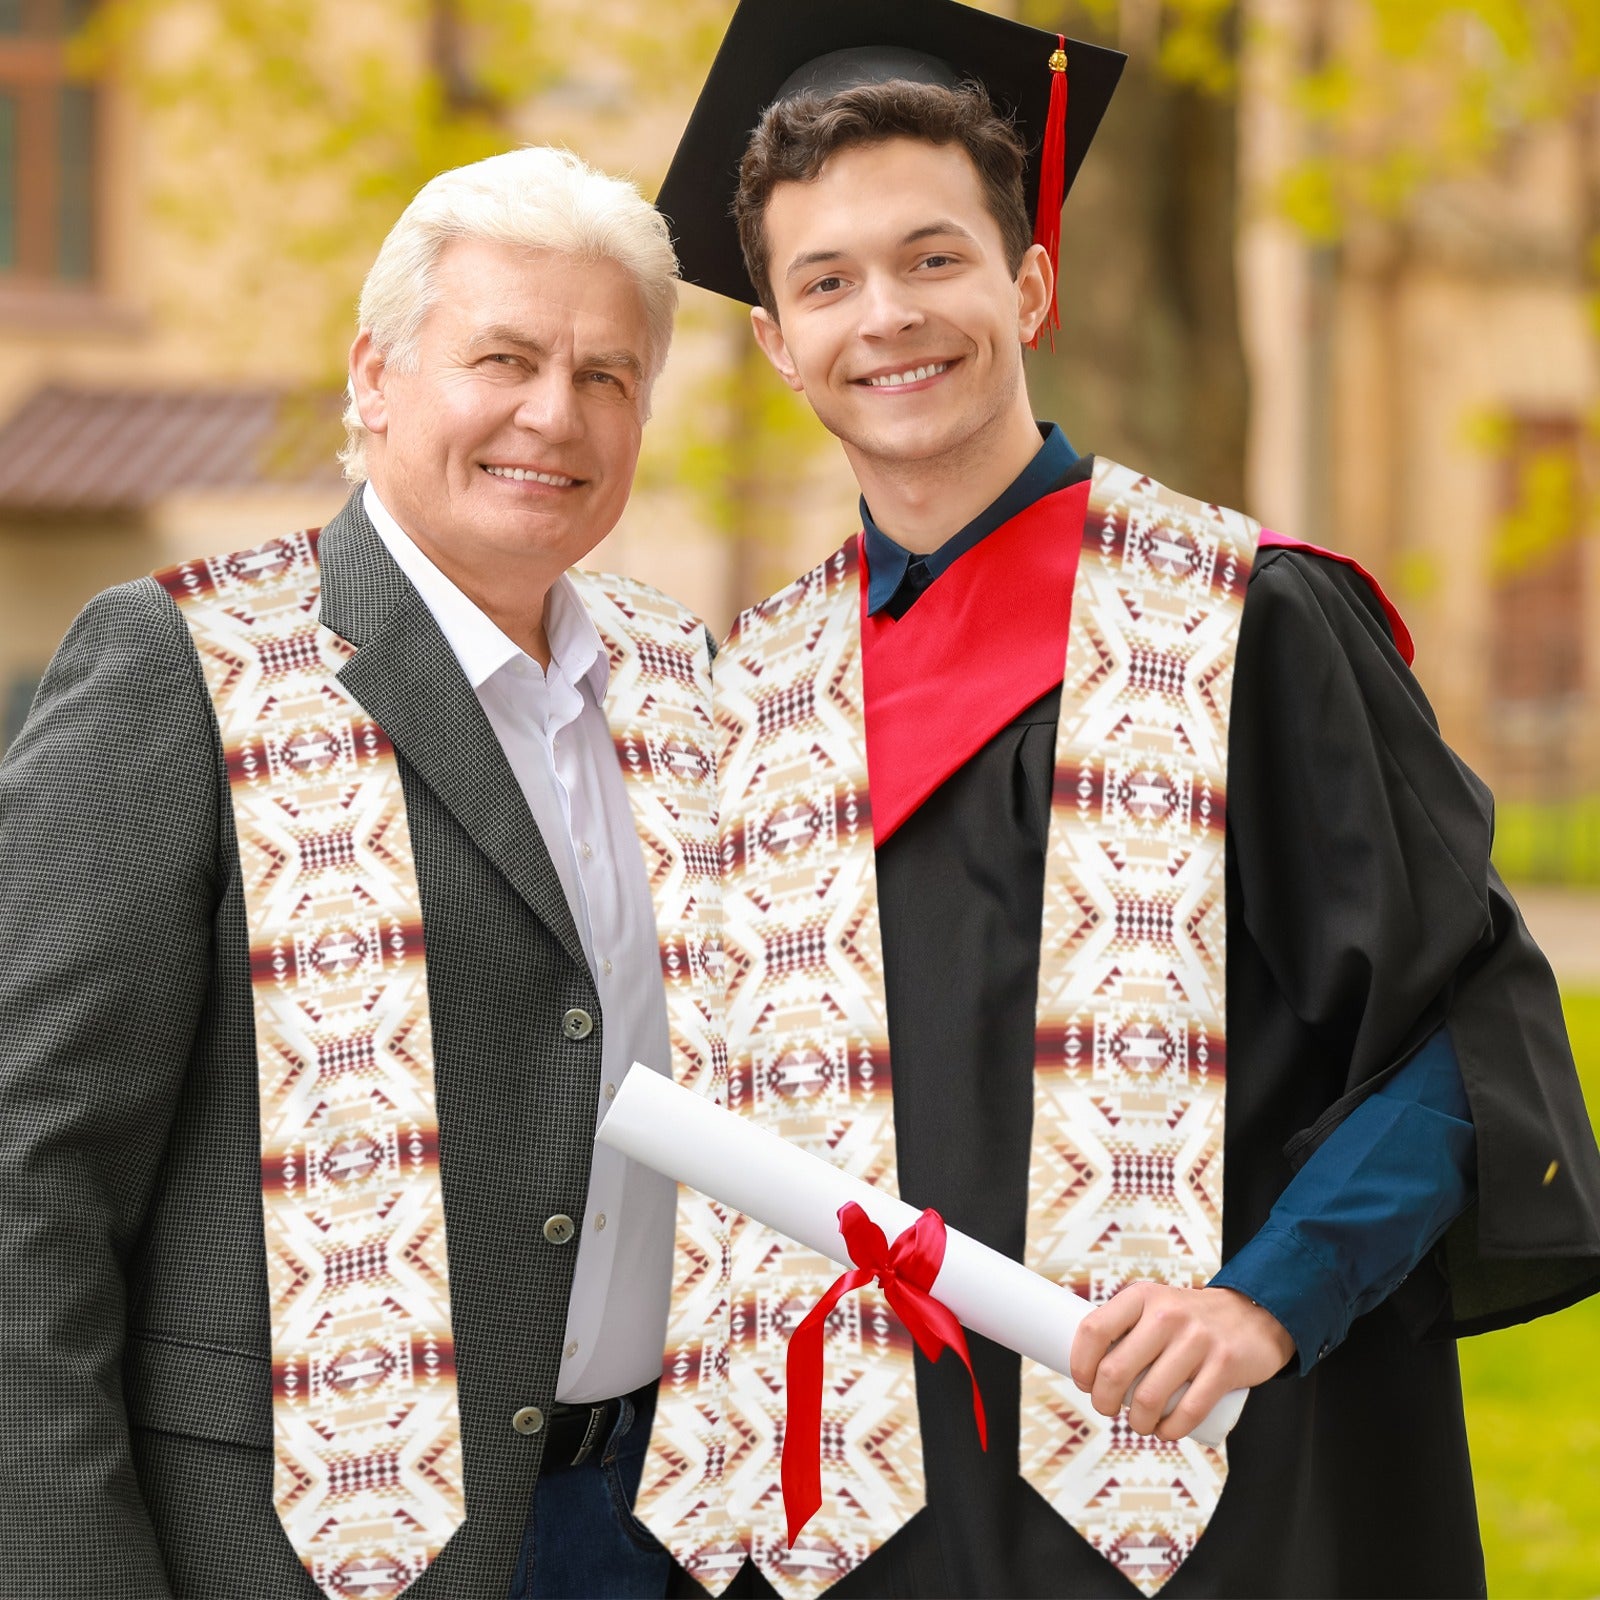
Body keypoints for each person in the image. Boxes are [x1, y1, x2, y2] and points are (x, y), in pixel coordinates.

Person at [632, 3, 1600, 1597]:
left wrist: (1268, 1301)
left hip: (1203, 1494)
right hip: (863, 1525)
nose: (888, 316)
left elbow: (1460, 1034)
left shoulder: (1248, 624)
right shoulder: (756, 695)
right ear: (777, 341)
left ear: (1029, 282)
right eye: (827, 281)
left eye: (935, 259)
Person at [0, 145, 720, 1600]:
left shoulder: (689, 686)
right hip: (289, 1549)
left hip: (660, 1528)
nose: (552, 414)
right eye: (503, 357)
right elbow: (29, 1172)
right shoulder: (187, 667)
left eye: (605, 375)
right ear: (375, 377)